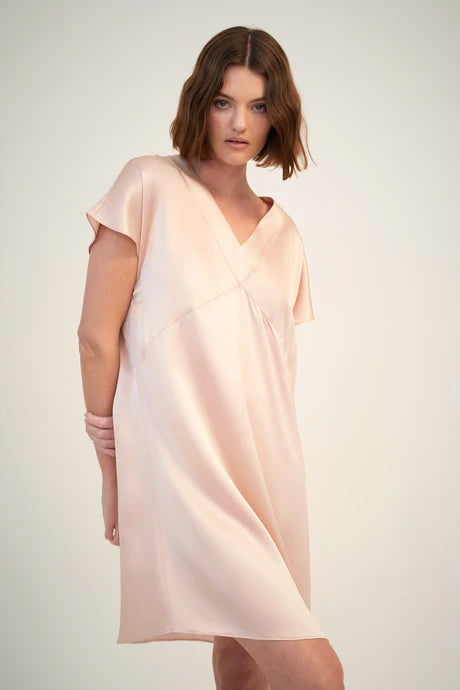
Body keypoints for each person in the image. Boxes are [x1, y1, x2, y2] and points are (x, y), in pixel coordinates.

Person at [78, 25, 345, 690]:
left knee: (243, 659)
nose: (239, 123)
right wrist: (112, 468)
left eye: (258, 106)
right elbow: (95, 337)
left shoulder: (285, 235)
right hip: (188, 473)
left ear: (278, 116)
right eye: (225, 102)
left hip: (268, 474)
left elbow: (273, 377)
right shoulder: (147, 185)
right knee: (319, 677)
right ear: (200, 101)